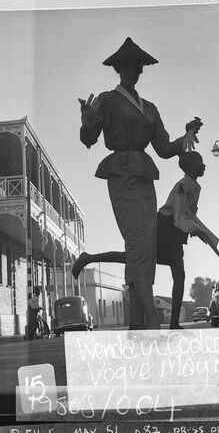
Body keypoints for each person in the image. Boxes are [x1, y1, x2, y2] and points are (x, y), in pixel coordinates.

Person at [78, 37, 202, 330]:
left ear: (141, 70)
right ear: (118, 69)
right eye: (128, 66)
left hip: (145, 179)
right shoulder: (107, 100)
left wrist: (186, 134)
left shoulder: (150, 108)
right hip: (121, 175)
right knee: (137, 245)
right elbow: (89, 139)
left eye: (137, 66)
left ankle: (138, 327)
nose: (134, 71)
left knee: (145, 248)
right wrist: (85, 121)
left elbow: (164, 149)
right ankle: (153, 321)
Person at [72, 151, 216, 330]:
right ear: (189, 166)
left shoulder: (193, 186)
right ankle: (89, 258)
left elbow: (187, 213)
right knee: (140, 259)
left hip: (175, 231)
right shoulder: (184, 185)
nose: (203, 165)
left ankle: (89, 258)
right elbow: (179, 215)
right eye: (199, 161)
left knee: (162, 268)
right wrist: (194, 228)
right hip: (166, 228)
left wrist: (198, 230)